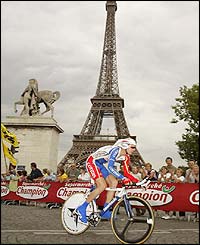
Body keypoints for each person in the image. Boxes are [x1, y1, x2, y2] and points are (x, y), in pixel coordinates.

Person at [75, 138, 140, 224]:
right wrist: (122, 178)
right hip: (92, 162)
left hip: (100, 164)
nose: (134, 149)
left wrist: (137, 182)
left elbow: (127, 173)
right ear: (125, 146)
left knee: (114, 182)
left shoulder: (126, 157)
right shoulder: (116, 150)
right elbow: (110, 167)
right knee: (102, 186)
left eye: (135, 147)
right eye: (132, 147)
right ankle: (81, 208)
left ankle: (105, 210)